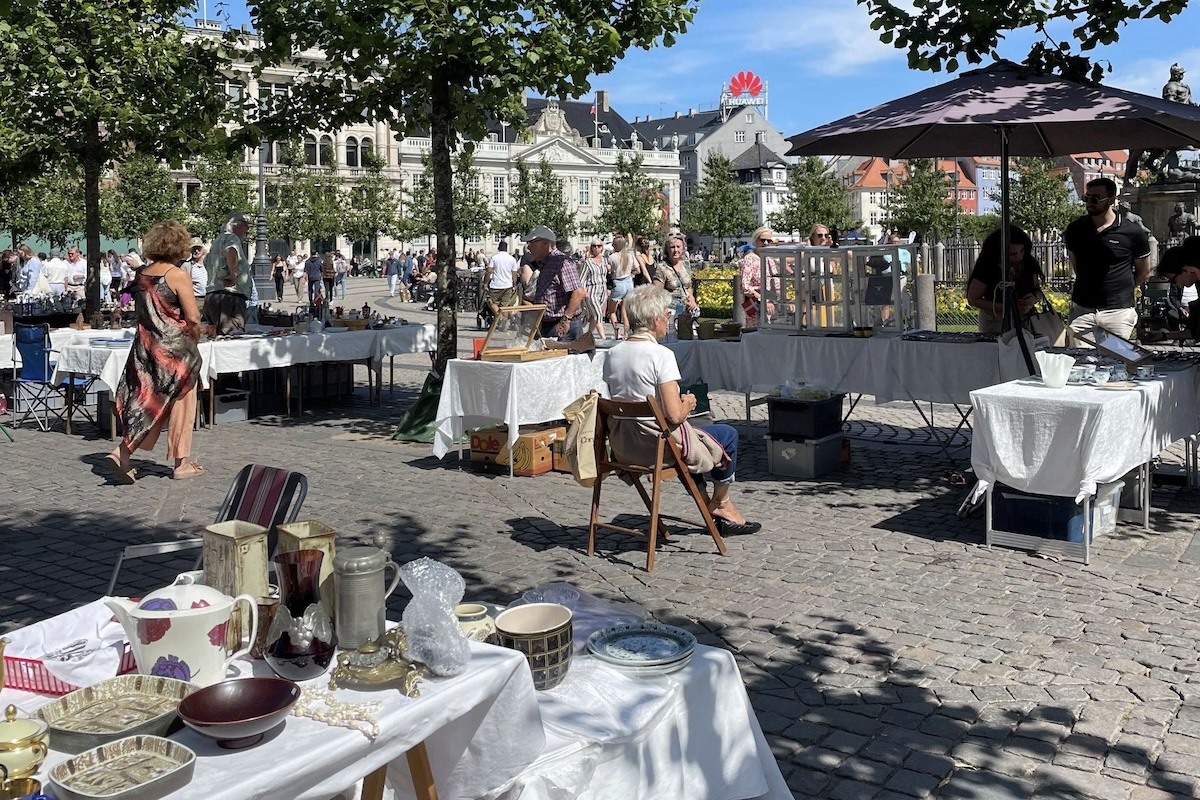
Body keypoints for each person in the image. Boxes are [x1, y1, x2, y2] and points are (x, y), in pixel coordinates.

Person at [602, 285, 761, 537]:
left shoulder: (613, 353)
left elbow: (625, 398)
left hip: (625, 446)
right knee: (726, 435)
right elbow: (675, 415)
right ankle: (720, 503)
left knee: (691, 441)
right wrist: (687, 402)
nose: (669, 319)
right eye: (667, 314)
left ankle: (714, 507)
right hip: (656, 447)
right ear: (656, 320)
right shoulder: (660, 355)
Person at [106, 220, 204, 484]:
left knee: (150, 402)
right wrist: (195, 335)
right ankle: (181, 463)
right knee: (182, 403)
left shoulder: (143, 274)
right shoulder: (177, 274)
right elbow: (193, 317)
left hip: (146, 348)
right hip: (176, 351)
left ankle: (123, 451)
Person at [1064, 177, 1151, 341]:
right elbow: (1075, 264)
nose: (1089, 202)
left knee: (1117, 363)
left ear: (1111, 199)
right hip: (1083, 309)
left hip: (1118, 311)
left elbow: (1144, 272)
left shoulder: (1132, 232)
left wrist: (1121, 289)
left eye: (1095, 198)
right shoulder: (1076, 230)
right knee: (1079, 363)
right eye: (1086, 198)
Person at [966, 226, 1045, 333]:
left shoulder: (1029, 262)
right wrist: (1006, 307)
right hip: (996, 321)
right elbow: (973, 298)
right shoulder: (988, 267)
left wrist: (1032, 299)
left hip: (1026, 320)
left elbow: (1037, 290)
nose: (1019, 257)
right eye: (1012, 254)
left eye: (1022, 251)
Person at [526, 225, 586, 341]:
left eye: (531, 242)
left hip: (563, 327)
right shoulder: (547, 262)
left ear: (545, 243)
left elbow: (578, 292)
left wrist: (566, 319)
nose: (529, 247)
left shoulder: (562, 262)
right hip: (549, 325)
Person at [204, 210, 253, 334]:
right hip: (230, 297)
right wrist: (234, 274)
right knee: (232, 340)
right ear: (234, 225)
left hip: (213, 296)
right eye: (245, 226)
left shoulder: (216, 242)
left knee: (217, 340)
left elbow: (206, 261)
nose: (247, 230)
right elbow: (231, 251)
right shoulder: (231, 238)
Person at [653, 233, 699, 318]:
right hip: (670, 312)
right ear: (667, 249)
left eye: (678, 247)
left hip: (686, 311)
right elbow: (657, 293)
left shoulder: (686, 264)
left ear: (683, 248)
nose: (676, 250)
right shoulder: (662, 267)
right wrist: (663, 310)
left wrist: (691, 299)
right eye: (672, 247)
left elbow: (688, 287)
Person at [739, 226, 776, 330]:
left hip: (769, 300)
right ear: (755, 240)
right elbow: (745, 286)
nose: (765, 243)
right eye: (762, 240)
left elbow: (776, 282)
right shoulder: (749, 259)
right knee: (755, 330)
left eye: (769, 241)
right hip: (752, 301)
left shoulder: (769, 260)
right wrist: (762, 300)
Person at [579, 237, 609, 337]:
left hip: (602, 290)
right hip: (592, 290)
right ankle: (604, 338)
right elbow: (582, 279)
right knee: (598, 315)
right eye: (594, 246)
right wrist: (585, 293)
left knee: (593, 316)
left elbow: (606, 275)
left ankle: (587, 336)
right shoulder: (588, 262)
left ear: (602, 248)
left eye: (598, 246)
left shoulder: (604, 260)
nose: (596, 248)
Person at [606, 235, 636, 332]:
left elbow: (608, 271)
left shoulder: (612, 257)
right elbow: (637, 269)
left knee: (612, 311)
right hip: (628, 282)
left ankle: (616, 331)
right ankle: (627, 332)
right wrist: (631, 274)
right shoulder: (630, 255)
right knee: (625, 311)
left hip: (617, 282)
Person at [484, 240, 519, 313]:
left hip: (495, 285)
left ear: (498, 248)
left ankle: (499, 318)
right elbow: (514, 274)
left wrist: (485, 283)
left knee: (492, 302)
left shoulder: (494, 258)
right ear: (507, 248)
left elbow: (489, 271)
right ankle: (503, 323)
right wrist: (514, 285)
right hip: (508, 285)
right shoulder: (512, 259)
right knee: (505, 307)